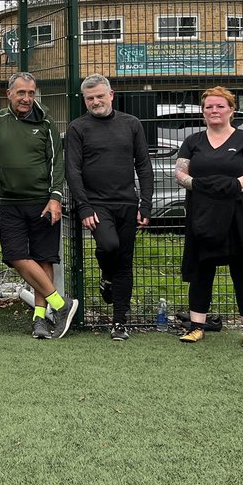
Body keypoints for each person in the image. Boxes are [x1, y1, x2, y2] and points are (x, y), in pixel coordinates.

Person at [0, 71, 79, 340]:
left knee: (44, 258)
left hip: (43, 202)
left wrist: (55, 198)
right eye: (21, 93)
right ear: (9, 94)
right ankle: (61, 305)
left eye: (31, 93)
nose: (26, 99)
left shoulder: (46, 123)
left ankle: (40, 320)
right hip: (10, 203)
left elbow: (57, 163)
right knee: (16, 256)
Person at [174, 86, 243, 350]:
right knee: (201, 269)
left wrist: (231, 186)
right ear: (203, 112)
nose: (214, 110)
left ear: (231, 110)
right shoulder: (193, 141)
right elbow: (180, 173)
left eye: (220, 106)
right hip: (202, 214)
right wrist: (198, 185)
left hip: (239, 214)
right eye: (209, 107)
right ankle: (196, 327)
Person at [65, 74, 153, 341]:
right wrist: (84, 207)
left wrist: (146, 204)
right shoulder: (78, 128)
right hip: (96, 205)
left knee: (125, 263)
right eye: (90, 98)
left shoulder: (131, 124)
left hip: (128, 202)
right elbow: (73, 170)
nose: (95, 102)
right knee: (109, 246)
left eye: (100, 96)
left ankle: (119, 323)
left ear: (111, 95)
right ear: (84, 99)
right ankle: (105, 274)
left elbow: (144, 166)